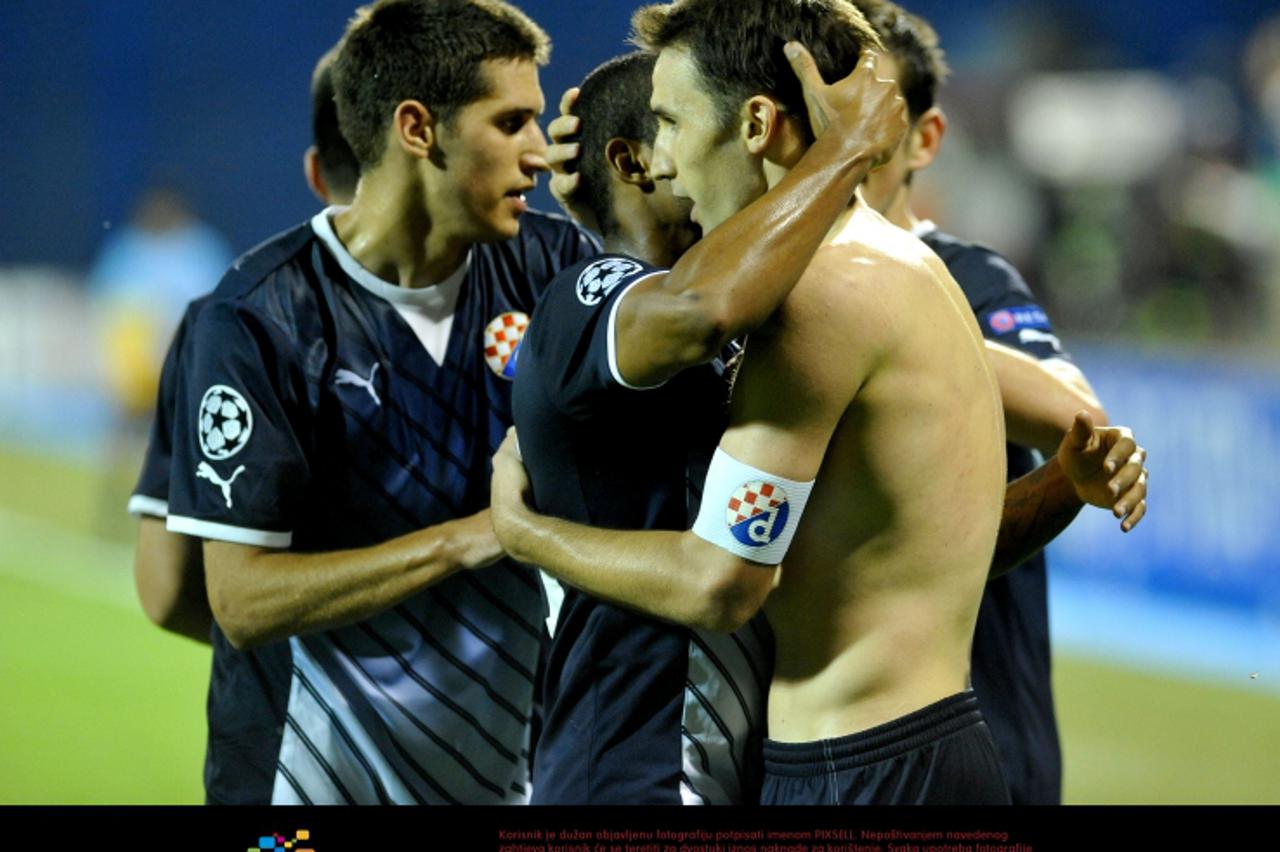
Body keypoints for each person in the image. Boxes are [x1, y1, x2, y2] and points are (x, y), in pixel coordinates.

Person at [492, 0, 1147, 806]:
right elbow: (905, 545)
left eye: (672, 120)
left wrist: (528, 535)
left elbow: (720, 583)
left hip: (860, 767)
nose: (663, 159)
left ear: (758, 123)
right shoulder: (910, 267)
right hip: (924, 747)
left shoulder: (817, 303)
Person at [153, 0, 601, 805]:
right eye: (512, 122)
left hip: (509, 780)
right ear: (417, 128)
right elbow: (242, 599)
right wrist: (472, 540)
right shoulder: (260, 315)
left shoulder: (557, 265)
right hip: (296, 790)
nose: (541, 153)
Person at [511, 49, 907, 804]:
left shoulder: (756, 333)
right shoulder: (589, 297)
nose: (712, 151)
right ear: (631, 162)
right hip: (629, 774)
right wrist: (843, 149)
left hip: (734, 773)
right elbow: (695, 309)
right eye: (677, 126)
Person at [850, 0, 1114, 803]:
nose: (839, 145)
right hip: (825, 752)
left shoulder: (968, 279)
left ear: (924, 141)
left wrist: (892, 328)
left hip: (983, 739)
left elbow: (1080, 418)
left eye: (869, 119)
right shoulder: (764, 295)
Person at [130, 46, 362, 645]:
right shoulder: (539, 296)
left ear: (316, 173)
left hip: (289, 727)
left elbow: (166, 594)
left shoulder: (233, 316)